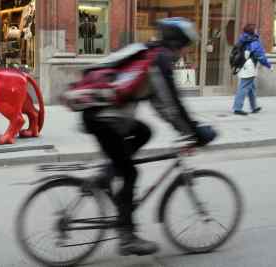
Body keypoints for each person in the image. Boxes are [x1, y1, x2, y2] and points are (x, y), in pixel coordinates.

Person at [81, 18, 216, 256]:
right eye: (186, 46)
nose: (186, 51)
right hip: (105, 120)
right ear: (178, 42)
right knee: (131, 172)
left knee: (144, 131)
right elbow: (172, 105)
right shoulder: (160, 60)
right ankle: (127, 237)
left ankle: (108, 172)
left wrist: (185, 129)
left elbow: (161, 107)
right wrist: (194, 132)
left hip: (102, 116)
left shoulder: (150, 54)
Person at [232, 24, 271, 116]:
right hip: (250, 66)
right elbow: (260, 56)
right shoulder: (254, 41)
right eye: (256, 29)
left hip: (243, 65)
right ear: (253, 31)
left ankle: (254, 107)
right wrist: (269, 66)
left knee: (251, 88)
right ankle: (237, 108)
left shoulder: (243, 39)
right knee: (243, 87)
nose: (257, 30)